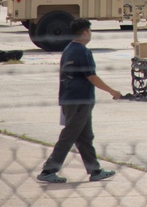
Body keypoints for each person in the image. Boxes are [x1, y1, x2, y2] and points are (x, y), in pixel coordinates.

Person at [37, 18, 122, 184]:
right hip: (80, 100)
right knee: (69, 136)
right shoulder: (83, 51)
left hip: (70, 99)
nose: (90, 34)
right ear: (85, 32)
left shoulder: (68, 49)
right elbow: (91, 77)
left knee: (84, 137)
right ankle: (49, 170)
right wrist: (112, 91)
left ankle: (95, 170)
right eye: (89, 31)